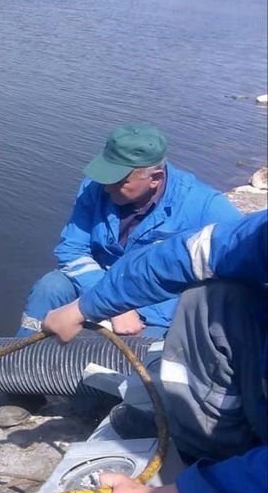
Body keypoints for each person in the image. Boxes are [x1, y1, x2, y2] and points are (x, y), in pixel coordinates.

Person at [44, 210, 267, 493]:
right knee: (211, 299)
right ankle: (215, 454)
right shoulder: (260, 234)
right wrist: (85, 308)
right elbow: (182, 255)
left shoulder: (202, 202)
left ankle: (224, 481)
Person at [16, 124, 241, 338]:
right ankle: (17, 360)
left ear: (155, 178)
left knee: (136, 362)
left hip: (156, 307)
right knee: (51, 286)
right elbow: (72, 248)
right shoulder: (95, 187)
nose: (105, 186)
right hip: (98, 283)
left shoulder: (206, 207)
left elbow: (239, 269)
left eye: (118, 180)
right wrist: (111, 303)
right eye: (104, 175)